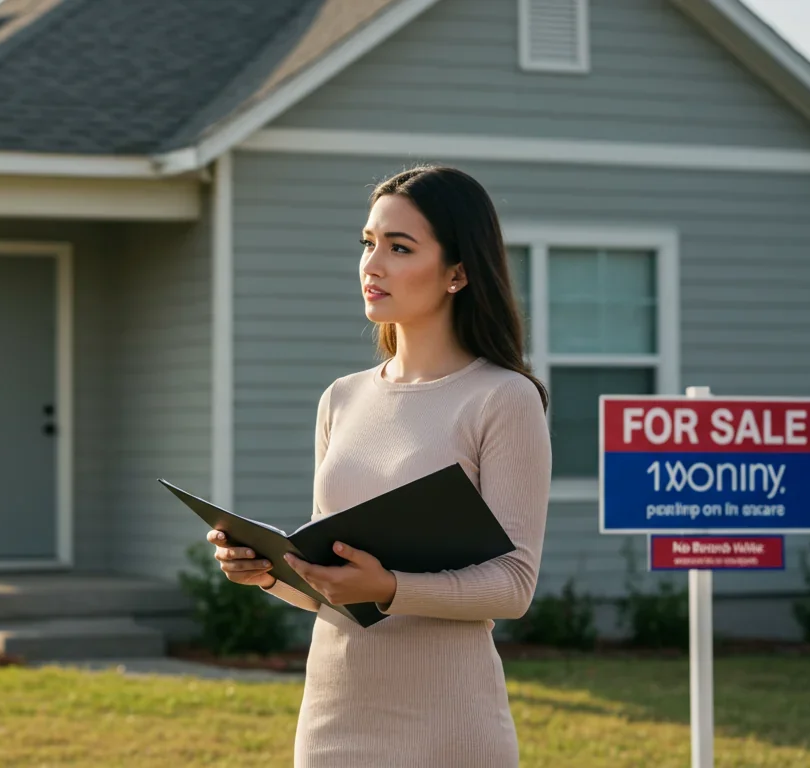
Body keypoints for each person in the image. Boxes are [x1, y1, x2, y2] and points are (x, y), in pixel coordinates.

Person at [209, 165, 552, 767]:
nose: (373, 264)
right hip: (334, 720)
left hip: (449, 730)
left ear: (458, 273)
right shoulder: (342, 398)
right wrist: (268, 571)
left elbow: (514, 587)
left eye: (399, 248)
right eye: (368, 243)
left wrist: (391, 588)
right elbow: (330, 588)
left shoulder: (503, 399)